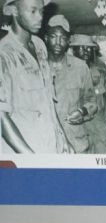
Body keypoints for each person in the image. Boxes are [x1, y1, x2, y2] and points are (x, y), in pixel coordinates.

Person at [0, 0, 69, 153]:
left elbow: (48, 100)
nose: (39, 17)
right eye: (32, 11)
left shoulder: (39, 46)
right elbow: (1, 117)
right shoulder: (4, 54)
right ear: (14, 11)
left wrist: (63, 138)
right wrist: (31, 159)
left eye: (41, 11)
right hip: (24, 152)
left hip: (50, 146)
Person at [44, 16, 96, 154]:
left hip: (76, 143)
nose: (58, 42)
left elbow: (91, 101)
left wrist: (82, 112)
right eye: (53, 36)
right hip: (46, 144)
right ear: (46, 38)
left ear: (68, 41)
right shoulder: (36, 67)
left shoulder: (80, 67)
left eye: (63, 38)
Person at [71, 33, 106, 154]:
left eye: (88, 48)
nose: (85, 51)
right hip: (77, 130)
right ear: (74, 50)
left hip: (100, 128)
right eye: (81, 47)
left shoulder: (100, 71)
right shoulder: (67, 73)